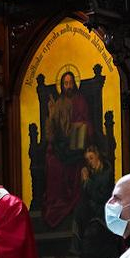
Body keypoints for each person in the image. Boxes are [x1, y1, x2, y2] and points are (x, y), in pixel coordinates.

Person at [43, 71, 91, 228]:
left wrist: (77, 129)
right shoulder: (59, 103)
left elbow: (86, 122)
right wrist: (51, 114)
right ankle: (58, 201)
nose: (68, 86)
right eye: (65, 83)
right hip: (62, 143)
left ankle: (73, 201)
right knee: (53, 162)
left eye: (70, 83)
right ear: (62, 86)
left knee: (75, 162)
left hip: (78, 142)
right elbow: (52, 129)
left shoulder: (80, 100)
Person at [72, 146, 120, 258]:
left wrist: (87, 181)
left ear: (97, 156)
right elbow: (85, 194)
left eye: (91, 158)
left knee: (87, 223)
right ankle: (76, 250)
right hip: (92, 207)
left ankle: (82, 252)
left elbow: (100, 197)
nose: (90, 162)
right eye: (87, 159)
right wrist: (84, 180)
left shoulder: (106, 173)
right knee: (78, 213)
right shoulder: (91, 172)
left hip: (103, 209)